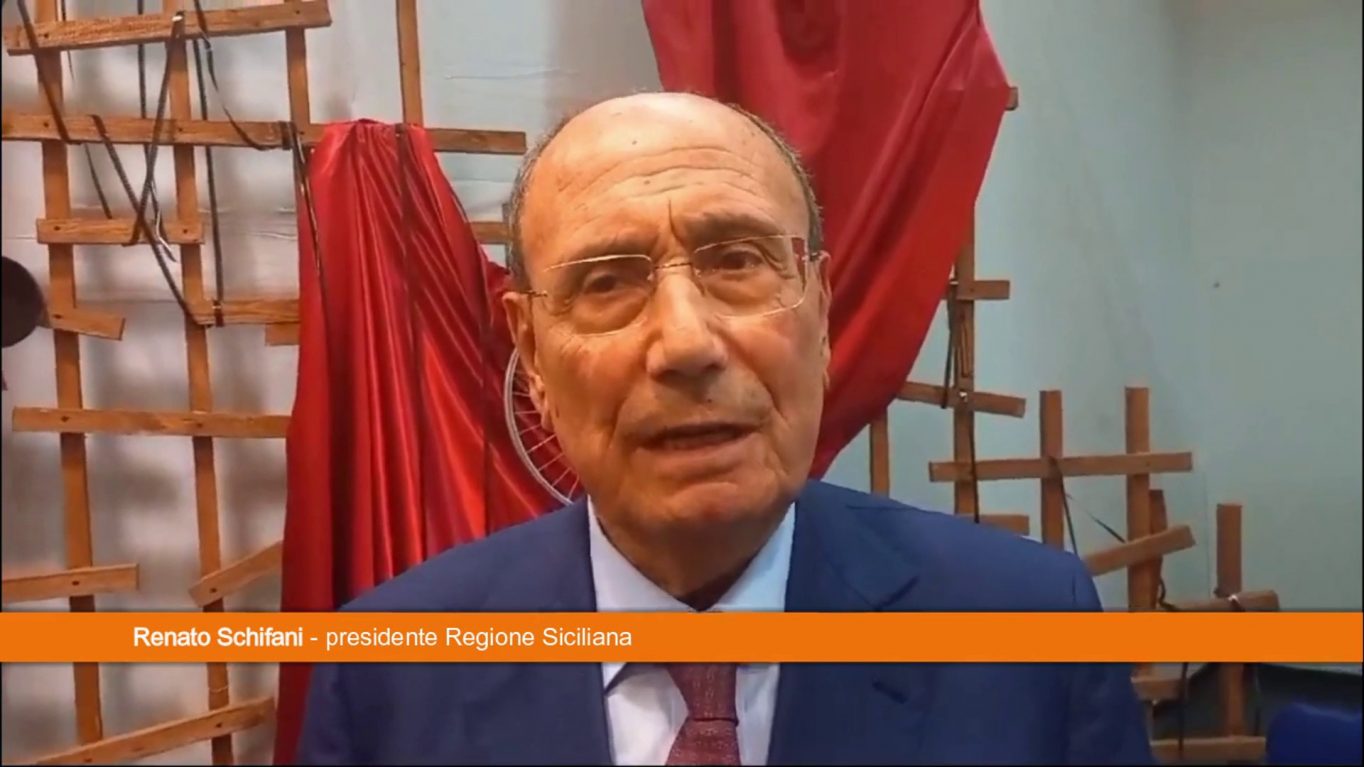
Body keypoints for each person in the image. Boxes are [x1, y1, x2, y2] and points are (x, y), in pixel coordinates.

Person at [296, 92, 1154, 766]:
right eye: (607, 282)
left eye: (739, 262)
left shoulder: (1030, 633)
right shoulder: (387, 678)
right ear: (532, 353)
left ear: (820, 314)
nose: (686, 343)